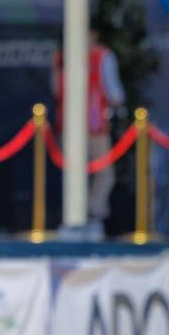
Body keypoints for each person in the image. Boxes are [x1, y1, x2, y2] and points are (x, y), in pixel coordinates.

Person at [53, 29, 125, 235]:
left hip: (90, 127)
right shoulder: (63, 58)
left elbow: (114, 94)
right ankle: (81, 217)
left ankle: (90, 215)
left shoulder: (101, 56)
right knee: (82, 175)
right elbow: (116, 96)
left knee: (100, 174)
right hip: (81, 127)